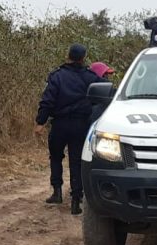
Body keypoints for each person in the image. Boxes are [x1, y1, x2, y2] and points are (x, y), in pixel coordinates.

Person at [35, 44, 106, 215]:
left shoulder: (57, 76)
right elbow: (106, 92)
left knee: (56, 157)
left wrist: (40, 122)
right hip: (81, 125)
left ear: (68, 55)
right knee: (76, 161)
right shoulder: (91, 77)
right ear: (84, 57)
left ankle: (57, 192)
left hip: (59, 124)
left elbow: (48, 100)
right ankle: (76, 200)